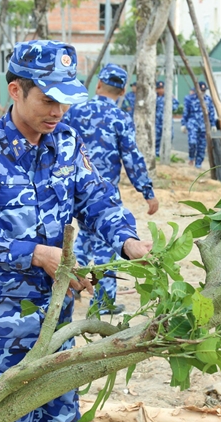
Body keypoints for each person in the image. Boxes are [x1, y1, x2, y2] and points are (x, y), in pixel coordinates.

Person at [0, 40, 152, 422]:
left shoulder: (68, 144)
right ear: (16, 91)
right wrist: (37, 254)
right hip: (3, 330)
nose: (58, 111)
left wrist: (127, 240)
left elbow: (97, 199)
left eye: (65, 100)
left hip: (57, 326)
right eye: (48, 99)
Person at [64, 63, 158, 315]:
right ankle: (102, 303)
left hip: (74, 190)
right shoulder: (120, 118)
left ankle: (67, 286)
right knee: (107, 246)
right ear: (123, 91)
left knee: (83, 237)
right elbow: (132, 158)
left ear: (98, 85)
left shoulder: (75, 111)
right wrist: (147, 191)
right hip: (103, 196)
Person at [182, 81, 216, 169]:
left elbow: (211, 113)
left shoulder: (208, 100)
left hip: (204, 126)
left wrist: (213, 124)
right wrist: (183, 124)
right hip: (193, 124)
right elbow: (186, 112)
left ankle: (198, 165)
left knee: (202, 146)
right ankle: (191, 157)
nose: (203, 92)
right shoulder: (189, 99)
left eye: (204, 90)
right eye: (201, 90)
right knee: (192, 143)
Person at [155, 80, 179, 158]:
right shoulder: (154, 96)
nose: (161, 90)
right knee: (156, 138)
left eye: (162, 88)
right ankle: (157, 154)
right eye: (159, 88)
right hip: (157, 121)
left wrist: (169, 109)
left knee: (169, 136)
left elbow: (176, 104)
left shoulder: (169, 96)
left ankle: (166, 153)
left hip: (167, 121)